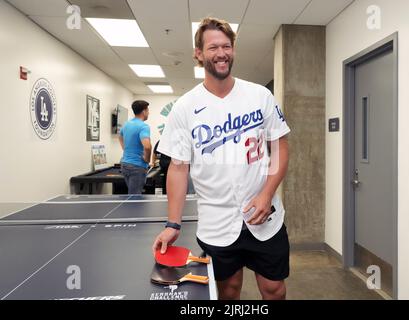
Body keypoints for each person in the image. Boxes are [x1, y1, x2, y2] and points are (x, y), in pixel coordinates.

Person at [152, 17, 290, 300]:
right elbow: (178, 168)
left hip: (265, 216)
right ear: (199, 54)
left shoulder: (260, 96)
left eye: (227, 46)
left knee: (274, 288)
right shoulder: (185, 107)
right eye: (213, 47)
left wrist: (267, 194)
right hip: (217, 222)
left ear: (234, 50)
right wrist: (172, 224)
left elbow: (281, 148)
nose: (222, 53)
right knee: (227, 290)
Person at [119, 100, 152, 194]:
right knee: (134, 197)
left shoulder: (126, 124)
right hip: (137, 166)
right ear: (143, 111)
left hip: (125, 164)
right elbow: (147, 146)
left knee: (132, 194)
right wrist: (147, 159)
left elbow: (120, 137)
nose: (148, 113)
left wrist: (125, 149)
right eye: (148, 110)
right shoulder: (144, 126)